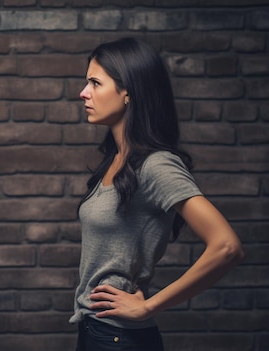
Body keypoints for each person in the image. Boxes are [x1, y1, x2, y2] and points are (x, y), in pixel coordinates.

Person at [69, 37, 245, 351]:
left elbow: (227, 246)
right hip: (95, 330)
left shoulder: (157, 165)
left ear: (128, 93)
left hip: (119, 338)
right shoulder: (117, 161)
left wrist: (149, 306)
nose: (84, 93)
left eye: (95, 83)